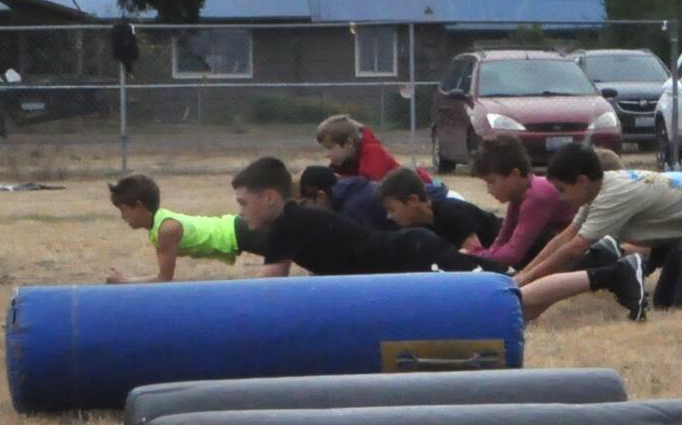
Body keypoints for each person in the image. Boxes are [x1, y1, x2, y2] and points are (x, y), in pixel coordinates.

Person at [231, 157, 646, 319]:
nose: (241, 212)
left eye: (243, 202)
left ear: (270, 197)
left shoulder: (287, 223)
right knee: (510, 289)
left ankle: (612, 271)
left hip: (413, 255)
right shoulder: (296, 219)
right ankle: (603, 264)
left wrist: (223, 308)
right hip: (410, 255)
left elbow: (270, 286)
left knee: (507, 291)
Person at [522, 145, 682, 309]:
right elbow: (564, 238)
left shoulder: (612, 195)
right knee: (664, 303)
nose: (560, 198)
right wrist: (522, 275)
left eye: (562, 190)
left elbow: (573, 251)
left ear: (582, 181)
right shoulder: (597, 190)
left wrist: (528, 280)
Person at [105, 174, 261, 283]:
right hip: (237, 233)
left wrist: (123, 282)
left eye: (123, 210)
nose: (122, 216)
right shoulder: (159, 224)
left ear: (139, 206)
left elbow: (164, 279)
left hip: (238, 234)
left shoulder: (166, 230)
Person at [471, 137, 572, 270]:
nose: (489, 190)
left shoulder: (537, 196)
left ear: (514, 174)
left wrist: (475, 254)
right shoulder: (519, 195)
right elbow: (502, 239)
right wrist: (483, 256)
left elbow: (513, 254)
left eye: (491, 181)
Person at [376, 168, 503, 251]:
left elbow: (476, 255)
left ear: (413, 201)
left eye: (392, 209)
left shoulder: (451, 213)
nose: (389, 216)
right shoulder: (417, 228)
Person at [296, 165, 395, 231]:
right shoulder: (349, 188)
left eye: (305, 204)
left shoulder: (351, 209)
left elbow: (366, 248)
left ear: (321, 196)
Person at [316, 114, 399, 181]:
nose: (326, 154)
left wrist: (337, 179)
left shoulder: (373, 152)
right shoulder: (346, 158)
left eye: (329, 148)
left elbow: (369, 189)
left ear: (349, 143)